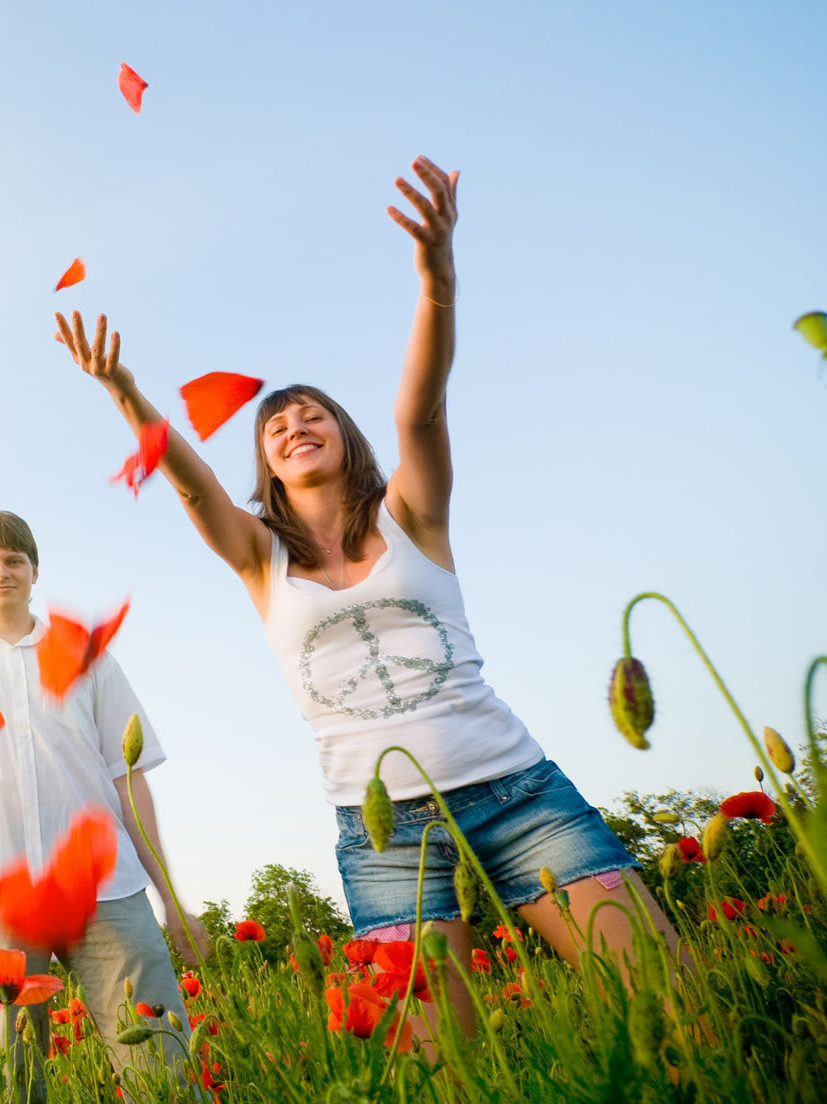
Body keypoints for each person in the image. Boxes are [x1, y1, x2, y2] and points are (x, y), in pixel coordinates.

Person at [52, 155, 682, 1035]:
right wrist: (121, 387)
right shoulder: (257, 556)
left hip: (519, 795)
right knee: (442, 1066)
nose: (293, 425)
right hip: (383, 836)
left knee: (669, 1001)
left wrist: (437, 281)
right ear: (267, 465)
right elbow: (192, 485)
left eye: (312, 414)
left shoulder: (414, 514)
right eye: (275, 426)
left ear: (343, 436)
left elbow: (421, 412)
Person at [0, 512, 205, 1095]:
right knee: (11, 1079)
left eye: (14, 561)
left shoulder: (88, 657)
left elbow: (130, 781)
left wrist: (172, 900)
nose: (1, 573)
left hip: (107, 890)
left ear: (35, 570)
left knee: (163, 1067)